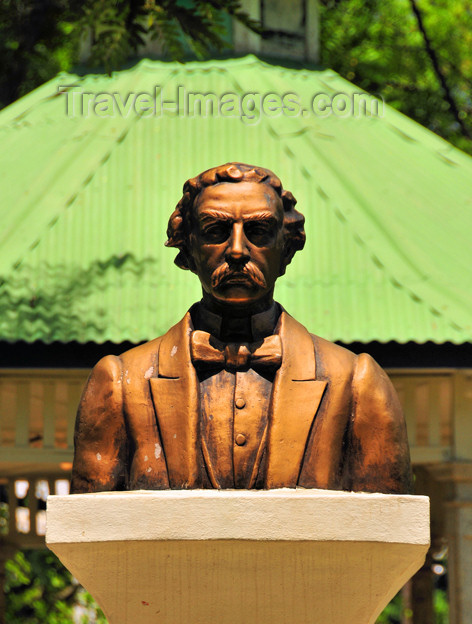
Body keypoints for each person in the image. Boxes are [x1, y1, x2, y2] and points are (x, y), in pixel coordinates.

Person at [71, 162, 411, 494]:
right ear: (186, 247)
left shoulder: (355, 383)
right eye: (215, 232)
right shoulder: (120, 383)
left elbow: (388, 533)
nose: (236, 250)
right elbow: (88, 532)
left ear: (288, 247)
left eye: (258, 231)